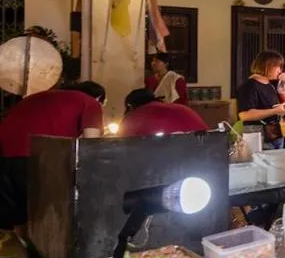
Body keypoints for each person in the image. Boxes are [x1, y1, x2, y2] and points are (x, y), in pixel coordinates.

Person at [0, 82, 105, 230]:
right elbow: (90, 146)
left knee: (16, 223)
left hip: (6, 157)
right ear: (99, 98)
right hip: (41, 160)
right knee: (47, 222)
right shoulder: (90, 103)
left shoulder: (35, 97)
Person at [236, 51, 285, 149]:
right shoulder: (249, 86)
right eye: (277, 66)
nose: (280, 70)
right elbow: (244, 115)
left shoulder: (271, 85)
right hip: (258, 134)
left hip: (276, 133)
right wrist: (275, 111)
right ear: (267, 66)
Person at [120, 89, 209, 136]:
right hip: (208, 149)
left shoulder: (134, 115)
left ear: (130, 106)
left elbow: (123, 143)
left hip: (175, 158)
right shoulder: (179, 107)